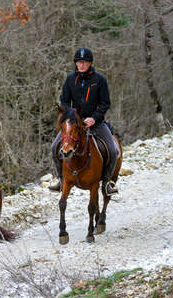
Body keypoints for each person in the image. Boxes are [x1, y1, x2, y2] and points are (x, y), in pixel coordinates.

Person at [49, 47, 120, 196]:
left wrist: (94, 118)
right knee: (54, 147)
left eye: (84, 62)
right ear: (75, 63)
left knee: (113, 151)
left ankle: (107, 182)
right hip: (75, 123)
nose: (81, 65)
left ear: (90, 63)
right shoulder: (70, 79)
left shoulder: (99, 80)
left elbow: (105, 103)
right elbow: (64, 102)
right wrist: (73, 116)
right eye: (79, 62)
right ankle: (61, 180)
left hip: (96, 122)